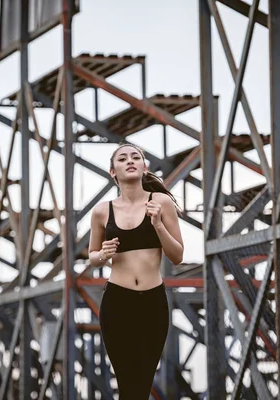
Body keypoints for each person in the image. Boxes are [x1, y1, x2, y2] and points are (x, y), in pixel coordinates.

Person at [88, 142, 184, 399]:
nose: (129, 161)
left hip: (153, 301)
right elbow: (92, 257)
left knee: (142, 381)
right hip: (118, 300)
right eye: (122, 159)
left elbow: (177, 256)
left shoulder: (161, 202)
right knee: (126, 380)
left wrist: (158, 226)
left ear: (144, 167)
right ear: (113, 172)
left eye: (135, 157)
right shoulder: (101, 211)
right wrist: (103, 254)